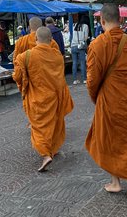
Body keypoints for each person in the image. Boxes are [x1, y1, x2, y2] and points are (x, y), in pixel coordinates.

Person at [85, 3, 127, 204]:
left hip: (110, 101)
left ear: (102, 21)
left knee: (110, 140)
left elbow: (92, 79)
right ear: (121, 20)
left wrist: (97, 98)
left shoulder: (98, 45)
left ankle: (115, 182)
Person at [13, 27, 74, 172]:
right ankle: (52, 148)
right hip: (55, 97)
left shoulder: (26, 56)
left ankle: (46, 154)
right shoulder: (57, 56)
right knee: (54, 123)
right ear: (51, 40)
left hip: (37, 98)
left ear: (35, 39)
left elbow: (17, 76)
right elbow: (59, 77)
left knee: (39, 128)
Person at [71, 15, 89, 85]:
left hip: (73, 45)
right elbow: (85, 37)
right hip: (80, 46)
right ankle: (84, 79)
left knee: (74, 62)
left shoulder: (75, 25)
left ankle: (75, 80)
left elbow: (72, 35)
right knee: (82, 62)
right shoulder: (85, 26)